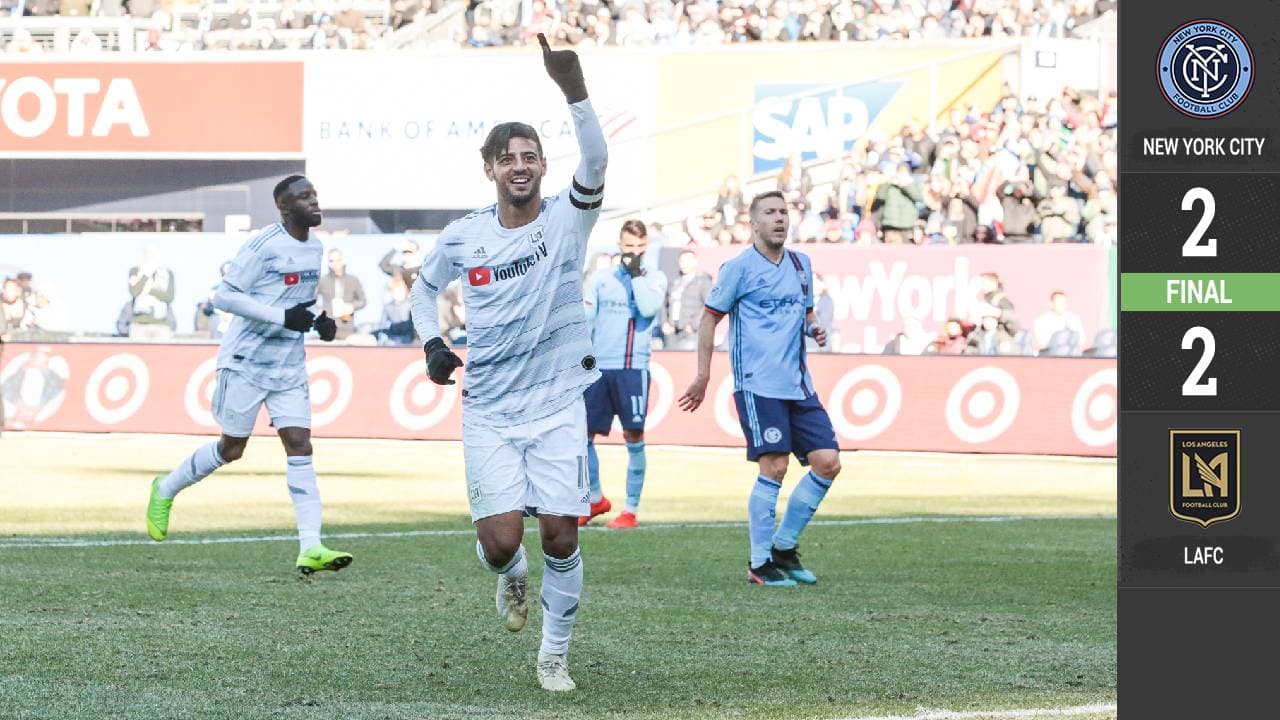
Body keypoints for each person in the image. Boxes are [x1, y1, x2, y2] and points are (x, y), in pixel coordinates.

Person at [408, 34, 605, 692]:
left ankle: (554, 655)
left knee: (559, 535)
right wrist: (433, 343)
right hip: (489, 409)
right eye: (507, 158)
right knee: (500, 545)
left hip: (555, 405)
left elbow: (598, 158)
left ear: (543, 166)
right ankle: (511, 580)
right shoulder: (466, 235)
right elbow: (421, 286)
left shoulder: (567, 220)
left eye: (529, 156)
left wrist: (572, 87)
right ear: (489, 169)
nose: (520, 166)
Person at [144, 176, 351, 576]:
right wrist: (282, 317)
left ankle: (311, 545)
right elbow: (224, 296)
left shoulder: (317, 247)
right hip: (245, 359)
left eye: (315, 195)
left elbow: (296, 303)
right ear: (284, 208)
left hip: (288, 362)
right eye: (303, 198)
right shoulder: (263, 245)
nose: (314, 202)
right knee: (232, 448)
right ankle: (165, 488)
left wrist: (318, 320)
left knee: (299, 443)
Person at [677, 191, 842, 588]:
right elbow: (708, 321)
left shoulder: (802, 264)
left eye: (783, 212)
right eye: (770, 213)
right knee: (775, 466)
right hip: (757, 384)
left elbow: (805, 312)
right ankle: (759, 563)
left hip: (798, 385)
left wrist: (813, 325)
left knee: (828, 462)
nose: (779, 219)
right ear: (753, 224)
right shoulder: (738, 269)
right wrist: (702, 375)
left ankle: (784, 547)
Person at [580, 219, 668, 529]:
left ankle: (630, 510)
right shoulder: (601, 279)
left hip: (633, 368)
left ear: (646, 247)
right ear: (619, 245)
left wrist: (635, 276)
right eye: (628, 247)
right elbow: (588, 319)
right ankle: (594, 499)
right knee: (582, 436)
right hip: (600, 368)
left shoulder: (655, 279)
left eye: (639, 247)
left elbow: (646, 309)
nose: (633, 252)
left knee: (633, 435)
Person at [662, 250, 712, 350]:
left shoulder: (703, 281)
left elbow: (709, 307)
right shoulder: (674, 281)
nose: (684, 264)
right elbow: (665, 304)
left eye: (688, 261)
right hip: (672, 331)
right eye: (681, 261)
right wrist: (665, 322)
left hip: (691, 332)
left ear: (695, 261)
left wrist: (694, 325)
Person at [127, 244, 176, 340]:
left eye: (153, 253)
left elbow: (169, 297)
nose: (151, 256)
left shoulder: (167, 274)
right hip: (139, 324)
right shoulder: (135, 271)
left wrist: (149, 290)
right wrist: (146, 274)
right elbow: (134, 291)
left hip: (161, 324)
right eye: (148, 253)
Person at [316, 248, 367, 340]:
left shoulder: (353, 280)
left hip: (347, 328)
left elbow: (363, 301)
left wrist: (352, 306)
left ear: (343, 260)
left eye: (338, 260)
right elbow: (309, 300)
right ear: (328, 262)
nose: (335, 264)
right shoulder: (322, 281)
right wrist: (319, 310)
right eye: (331, 260)